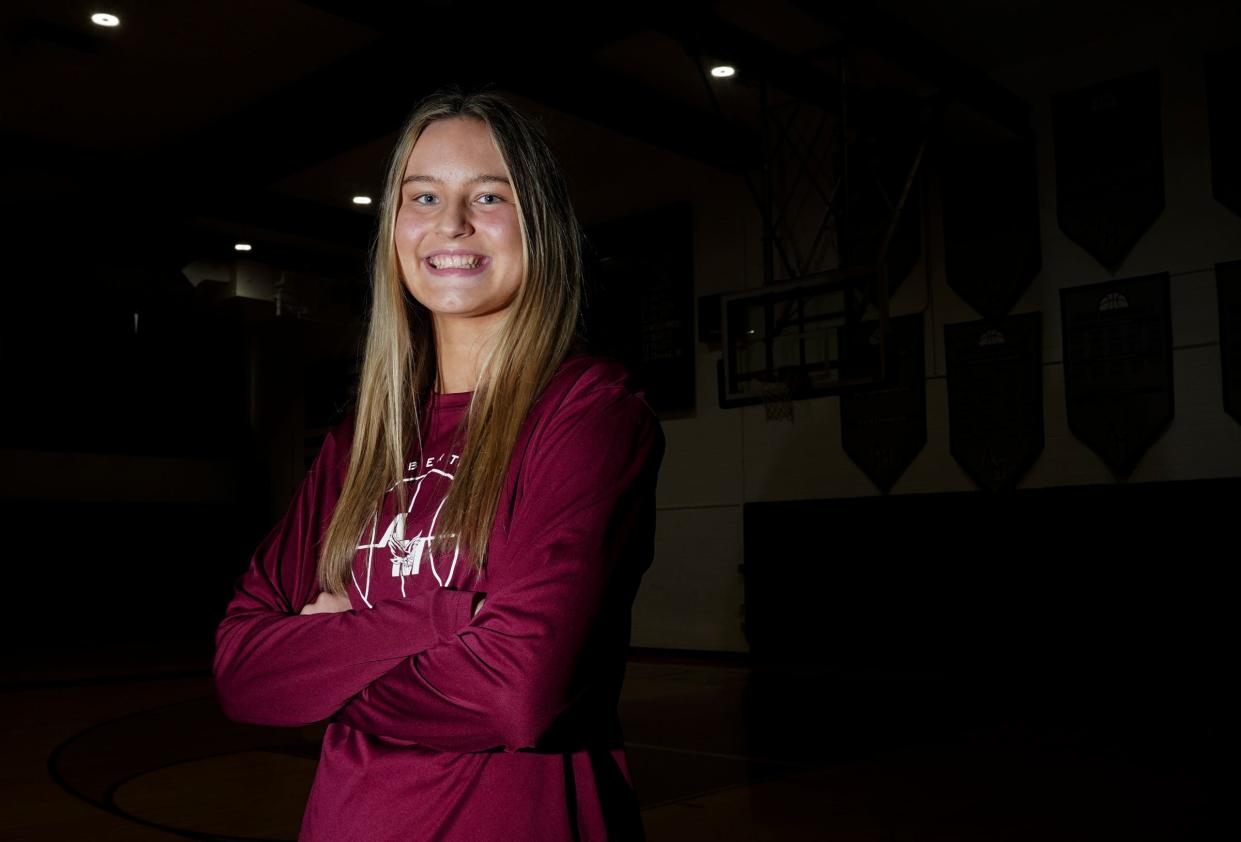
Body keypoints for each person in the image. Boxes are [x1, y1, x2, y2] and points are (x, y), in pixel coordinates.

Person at [212, 87, 665, 841]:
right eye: (422, 196)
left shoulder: (589, 412)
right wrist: (444, 617)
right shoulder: (362, 442)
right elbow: (241, 671)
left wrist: (331, 654)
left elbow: (519, 694)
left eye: (489, 195)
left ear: (540, 225)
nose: (450, 223)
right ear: (393, 229)